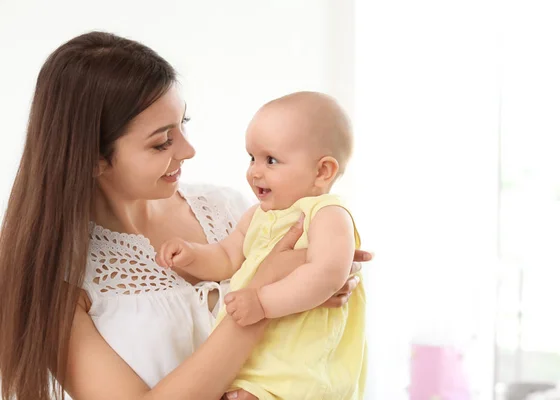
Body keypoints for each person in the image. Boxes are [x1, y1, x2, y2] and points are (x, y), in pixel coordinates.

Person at [0, 32, 371, 400]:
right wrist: (262, 293)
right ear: (93, 159)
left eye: (184, 124)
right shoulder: (54, 282)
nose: (189, 150)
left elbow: (310, 290)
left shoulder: (225, 208)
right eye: (162, 141)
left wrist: (330, 276)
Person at [157, 91, 367, 399]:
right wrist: (191, 256)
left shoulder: (328, 214)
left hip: (300, 364)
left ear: (322, 171)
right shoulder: (257, 215)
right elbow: (227, 256)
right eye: (251, 158)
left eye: (271, 160)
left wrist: (263, 302)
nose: (254, 171)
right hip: (257, 358)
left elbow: (328, 275)